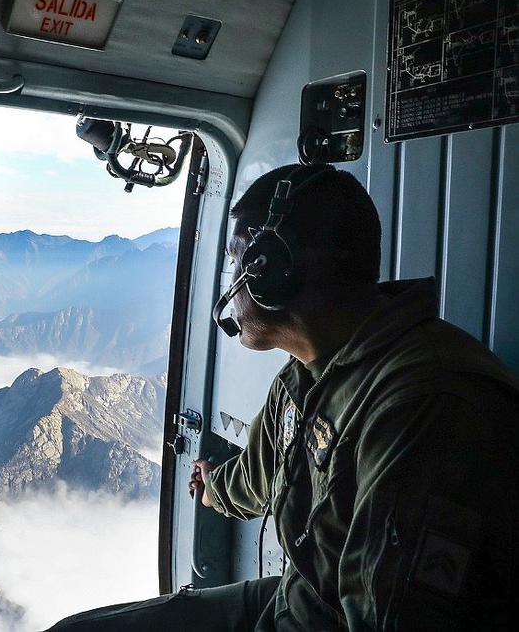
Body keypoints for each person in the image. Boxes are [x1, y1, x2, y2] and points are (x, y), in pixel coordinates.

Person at [47, 164, 519, 631]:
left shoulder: (425, 405)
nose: (231, 281)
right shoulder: (305, 377)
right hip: (297, 598)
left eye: (238, 260)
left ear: (272, 268)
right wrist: (211, 486)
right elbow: (260, 474)